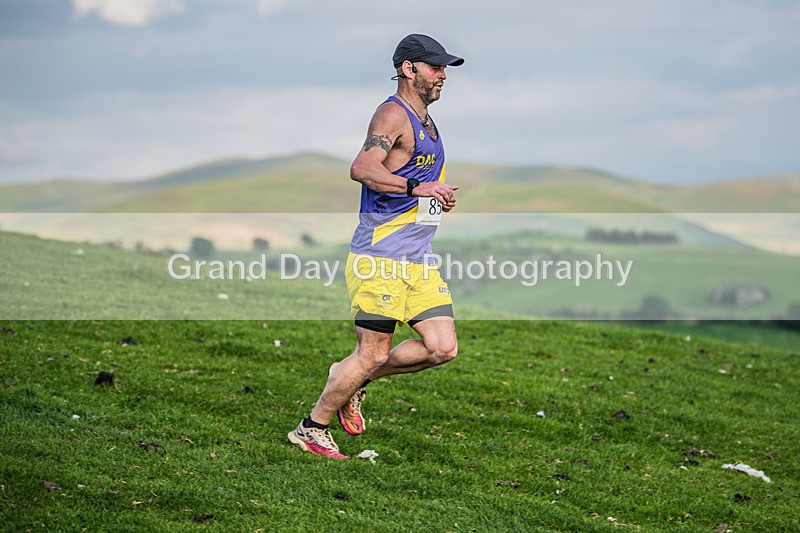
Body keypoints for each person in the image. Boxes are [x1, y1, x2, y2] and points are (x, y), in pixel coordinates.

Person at [288, 34, 464, 459]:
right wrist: (418, 186)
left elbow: (412, 179)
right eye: (435, 67)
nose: (442, 76)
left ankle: (351, 379)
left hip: (417, 260)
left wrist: (433, 195)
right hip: (379, 257)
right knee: (372, 352)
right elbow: (362, 167)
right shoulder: (392, 114)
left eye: (444, 69)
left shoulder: (426, 120)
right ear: (409, 69)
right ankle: (312, 428)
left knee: (441, 347)